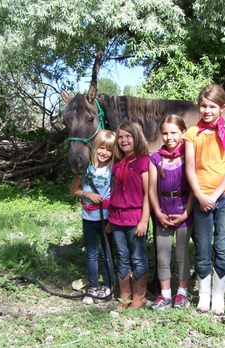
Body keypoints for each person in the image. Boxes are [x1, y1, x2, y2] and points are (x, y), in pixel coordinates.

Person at [184, 84, 225, 315]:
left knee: (222, 246)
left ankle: (218, 295)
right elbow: (190, 169)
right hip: (201, 198)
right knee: (203, 248)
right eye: (203, 106)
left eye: (212, 106)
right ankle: (204, 294)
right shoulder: (191, 134)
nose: (207, 110)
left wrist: (215, 196)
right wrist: (200, 195)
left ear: (222, 108)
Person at [149, 115, 193, 310]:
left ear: (183, 132)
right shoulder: (155, 158)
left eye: (174, 132)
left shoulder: (189, 156)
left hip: (184, 210)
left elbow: (193, 187)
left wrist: (186, 212)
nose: (169, 137)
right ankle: (165, 294)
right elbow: (151, 189)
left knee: (182, 254)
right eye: (165, 133)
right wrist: (157, 213)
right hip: (163, 211)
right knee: (163, 254)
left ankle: (182, 292)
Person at [107, 121, 150, 310]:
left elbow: (149, 193)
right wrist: (110, 219)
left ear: (137, 137)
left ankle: (139, 296)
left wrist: (144, 220)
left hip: (135, 218)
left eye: (128, 136)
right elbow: (114, 192)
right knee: (122, 257)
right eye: (121, 137)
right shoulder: (117, 164)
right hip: (117, 219)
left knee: (138, 258)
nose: (124, 140)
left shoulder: (143, 161)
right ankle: (125, 295)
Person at [70, 130, 116, 305]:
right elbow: (74, 190)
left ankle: (110, 285)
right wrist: (87, 194)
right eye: (101, 148)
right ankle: (93, 287)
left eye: (109, 150)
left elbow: (117, 194)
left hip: (107, 219)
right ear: (95, 147)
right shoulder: (86, 168)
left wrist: (112, 220)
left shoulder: (113, 169)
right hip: (89, 217)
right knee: (91, 254)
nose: (104, 152)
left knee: (107, 253)